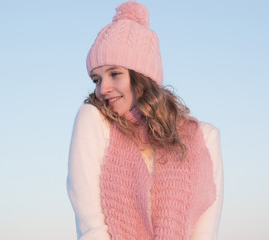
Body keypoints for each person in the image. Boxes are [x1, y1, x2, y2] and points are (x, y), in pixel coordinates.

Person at [67, 1, 223, 239]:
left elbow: (205, 231)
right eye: (96, 79)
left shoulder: (204, 137)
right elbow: (92, 226)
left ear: (142, 77)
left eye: (115, 74)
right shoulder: (94, 121)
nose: (103, 89)